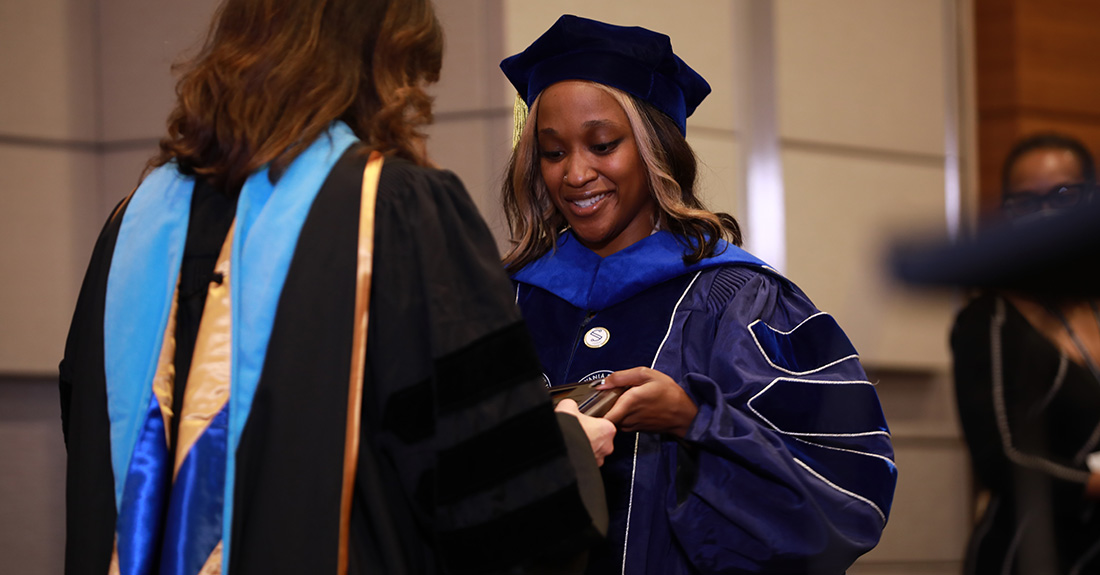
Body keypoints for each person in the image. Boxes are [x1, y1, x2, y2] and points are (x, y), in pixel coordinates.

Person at [58, 1, 613, 574]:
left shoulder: (134, 225)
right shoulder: (394, 210)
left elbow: (101, 441)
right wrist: (568, 444)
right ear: (384, 62)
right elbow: (492, 497)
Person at [498, 15, 897, 575]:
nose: (576, 173)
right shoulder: (509, 300)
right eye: (553, 152)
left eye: (603, 144)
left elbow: (846, 499)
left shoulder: (735, 299)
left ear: (654, 148)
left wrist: (693, 419)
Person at [950, 132, 1100, 574]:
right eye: (1026, 204)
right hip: (1030, 553)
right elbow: (1002, 458)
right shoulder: (989, 318)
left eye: (1064, 195)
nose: (1046, 215)